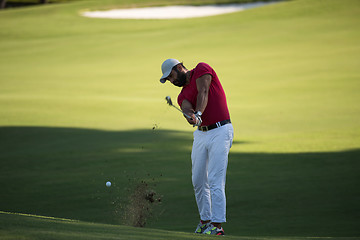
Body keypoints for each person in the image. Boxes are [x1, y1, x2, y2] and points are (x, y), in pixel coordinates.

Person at [159, 58, 234, 235]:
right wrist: (190, 116)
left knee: (215, 179)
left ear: (179, 67)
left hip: (220, 130)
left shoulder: (202, 69)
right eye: (169, 79)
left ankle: (217, 227)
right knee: (198, 180)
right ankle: (205, 222)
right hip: (201, 134)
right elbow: (186, 107)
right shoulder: (181, 95)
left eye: (171, 76)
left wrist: (198, 113)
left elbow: (204, 92)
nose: (172, 81)